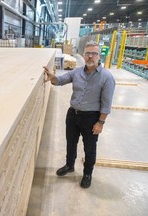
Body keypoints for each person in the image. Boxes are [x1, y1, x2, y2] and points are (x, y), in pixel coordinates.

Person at [43, 41, 116, 188]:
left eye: (94, 53)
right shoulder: (76, 72)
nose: (90, 56)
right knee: (71, 143)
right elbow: (60, 81)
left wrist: (100, 123)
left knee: (89, 148)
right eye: (87, 53)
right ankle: (70, 165)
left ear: (99, 56)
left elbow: (106, 105)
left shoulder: (107, 78)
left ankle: (88, 173)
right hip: (73, 115)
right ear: (83, 55)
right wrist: (52, 77)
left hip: (91, 118)